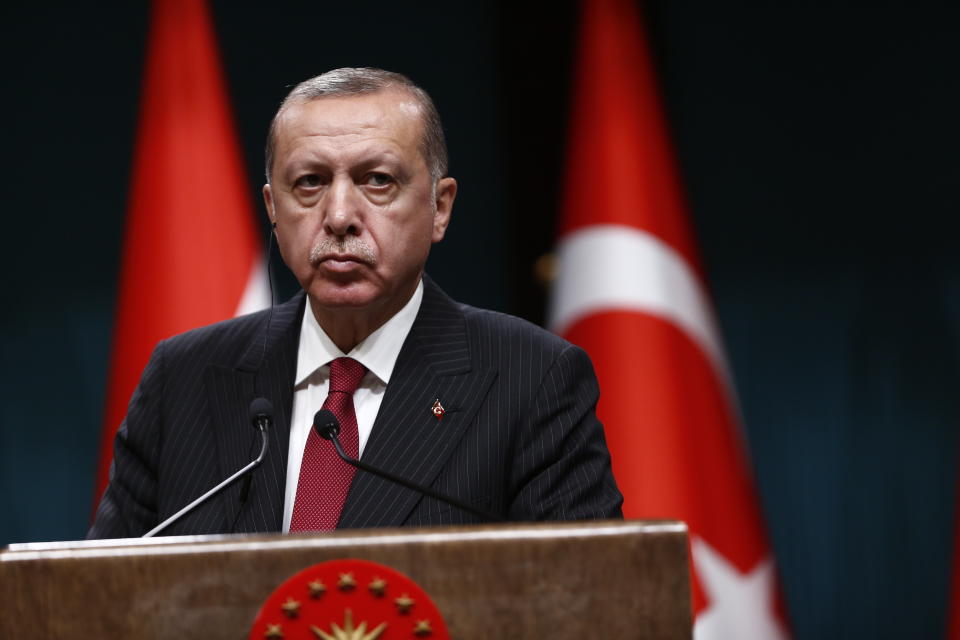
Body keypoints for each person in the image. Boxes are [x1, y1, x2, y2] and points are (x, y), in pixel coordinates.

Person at [89, 68, 622, 538]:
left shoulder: (531, 379)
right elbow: (103, 595)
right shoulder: (182, 380)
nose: (339, 215)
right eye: (310, 183)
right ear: (273, 207)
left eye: (377, 181)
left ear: (440, 207)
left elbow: (589, 603)